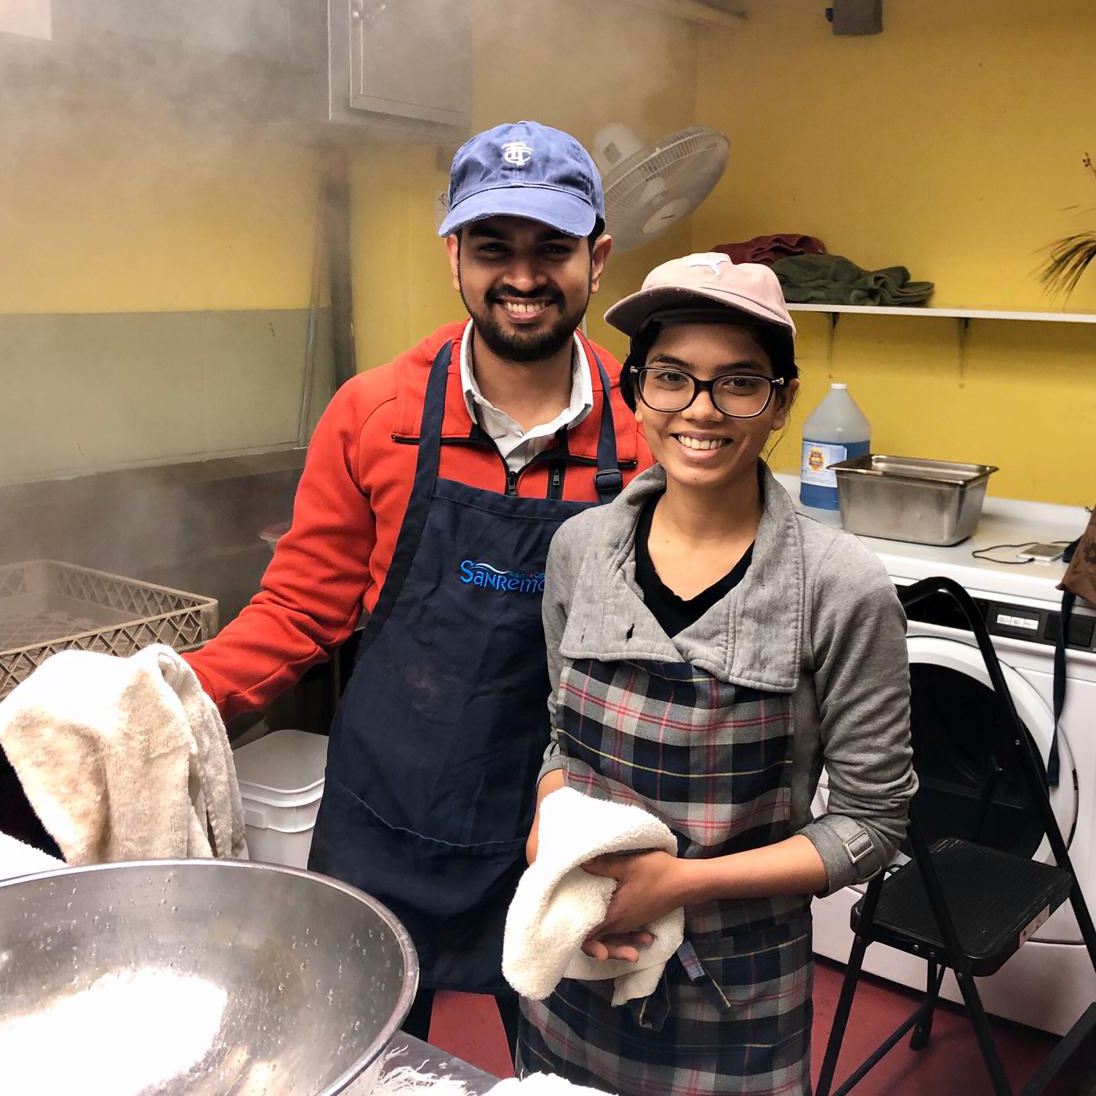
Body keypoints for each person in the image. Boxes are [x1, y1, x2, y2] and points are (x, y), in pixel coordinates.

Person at [183, 121, 652, 1048]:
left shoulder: (644, 440)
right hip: (385, 806)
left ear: (597, 259)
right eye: (494, 247)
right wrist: (170, 694)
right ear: (454, 258)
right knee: (357, 1043)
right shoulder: (374, 414)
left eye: (552, 248)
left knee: (564, 1058)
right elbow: (299, 607)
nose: (523, 275)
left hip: (557, 819)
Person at [518, 254, 916, 1094]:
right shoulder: (580, 551)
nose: (701, 410)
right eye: (672, 377)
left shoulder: (842, 586)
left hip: (737, 993)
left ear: (781, 401)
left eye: (738, 382)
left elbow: (874, 826)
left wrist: (677, 886)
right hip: (579, 952)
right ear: (634, 390)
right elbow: (561, 736)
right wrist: (550, 830)